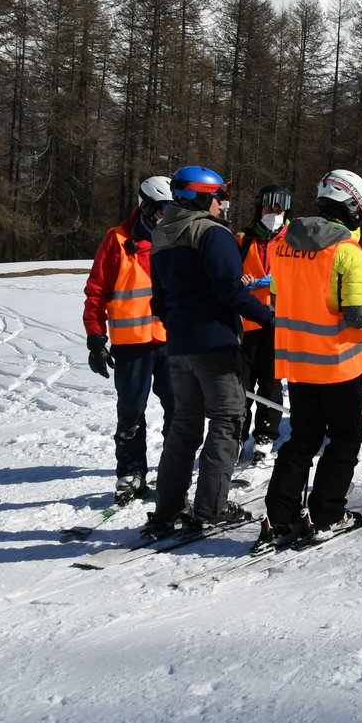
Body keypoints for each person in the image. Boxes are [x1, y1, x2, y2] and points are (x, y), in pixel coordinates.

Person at [263, 169, 362, 544]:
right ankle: (327, 514)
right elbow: (357, 313)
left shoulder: (281, 242)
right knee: (344, 440)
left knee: (301, 439)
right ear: (354, 208)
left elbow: (279, 299)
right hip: (338, 364)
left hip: (296, 362)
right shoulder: (346, 251)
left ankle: (280, 516)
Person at [145, 166, 276, 537]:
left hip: (179, 345)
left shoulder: (162, 234)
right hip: (215, 344)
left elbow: (160, 299)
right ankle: (210, 509)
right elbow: (230, 292)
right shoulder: (211, 233)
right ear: (203, 196)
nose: (223, 204)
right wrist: (269, 319)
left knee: (184, 425)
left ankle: (167, 509)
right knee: (227, 421)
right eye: (218, 196)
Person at [82, 176, 175, 503]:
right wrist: (96, 337)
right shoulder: (117, 241)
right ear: (147, 208)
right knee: (131, 413)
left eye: (173, 209)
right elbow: (96, 291)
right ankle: (132, 474)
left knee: (179, 409)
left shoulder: (178, 239)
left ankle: (172, 471)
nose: (168, 215)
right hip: (132, 345)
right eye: (162, 209)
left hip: (171, 342)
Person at [237, 183, 291, 464]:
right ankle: (237, 435)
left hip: (277, 322)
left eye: (279, 210)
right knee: (241, 385)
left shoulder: (293, 241)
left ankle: (266, 434)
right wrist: (239, 282)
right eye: (270, 209)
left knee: (271, 384)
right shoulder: (242, 240)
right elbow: (227, 275)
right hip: (245, 324)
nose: (274, 214)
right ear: (259, 210)